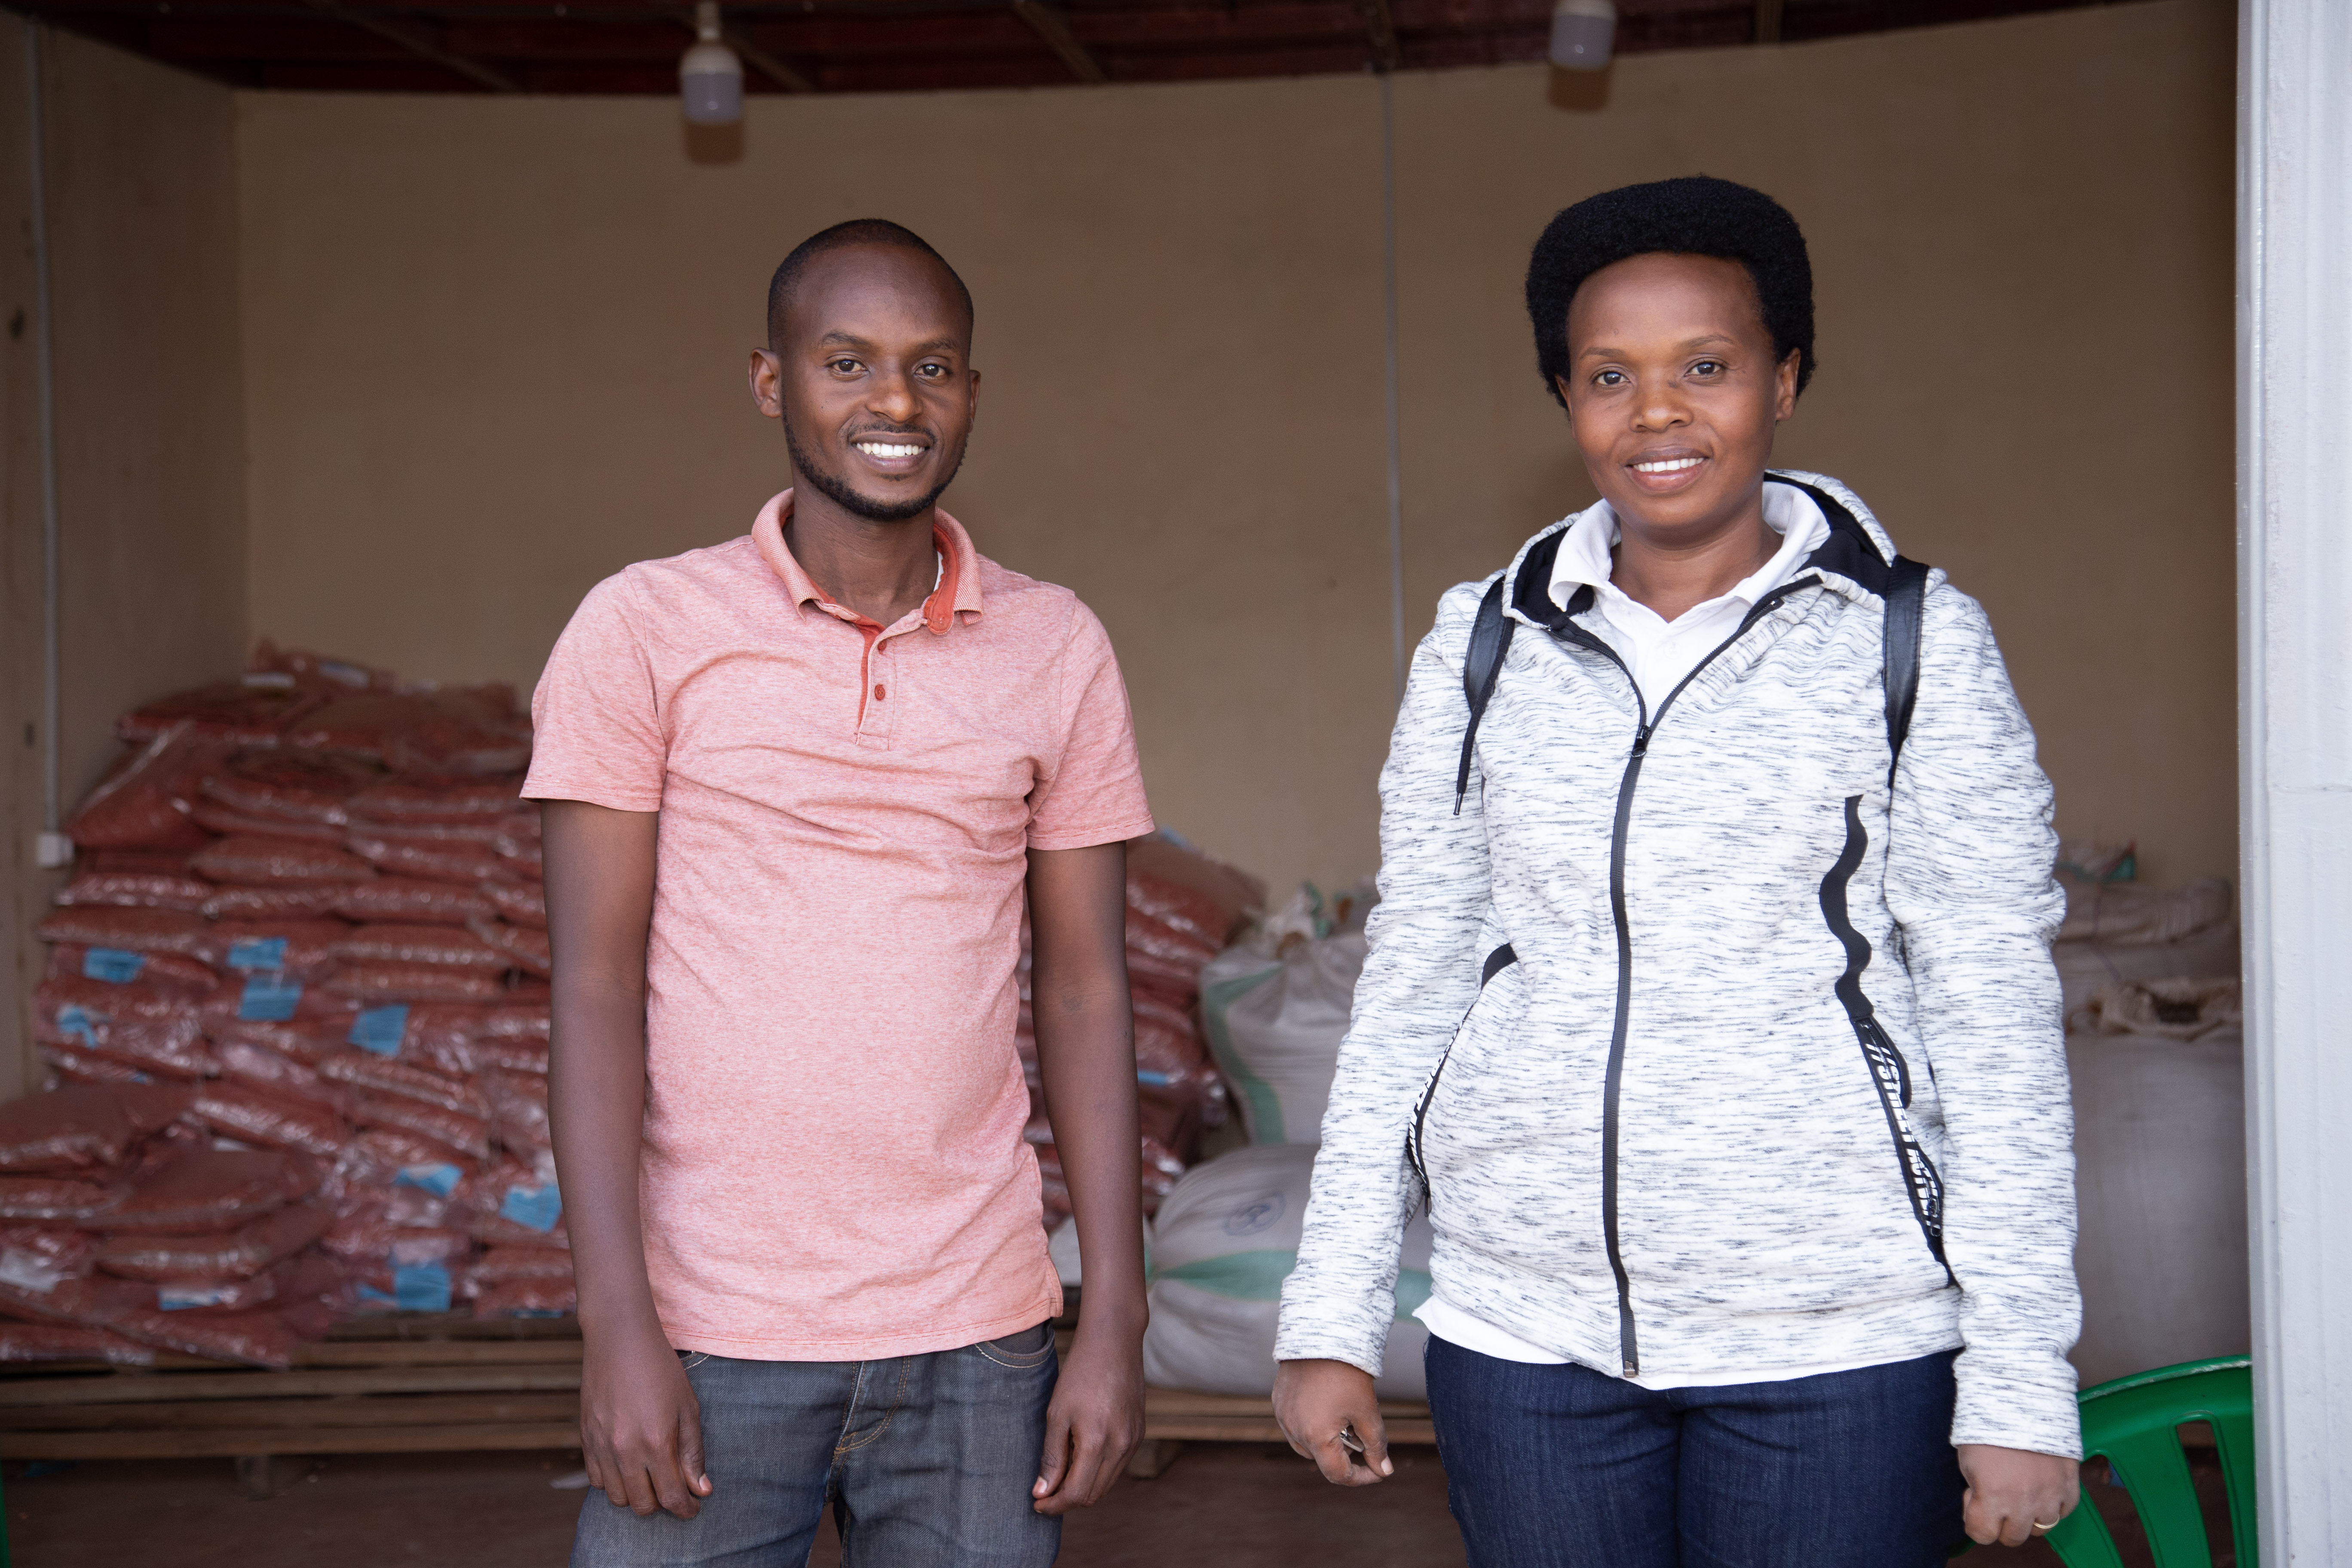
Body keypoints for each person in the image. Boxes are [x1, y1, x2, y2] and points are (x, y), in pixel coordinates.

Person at [1270, 176, 2083, 1566]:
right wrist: (1330, 1312)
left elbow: (1995, 1014)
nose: (1659, 413)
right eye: (1609, 376)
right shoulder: (1483, 647)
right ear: (1568, 402)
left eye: (1705, 366)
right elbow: (1413, 981)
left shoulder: (1910, 641)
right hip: (1525, 1336)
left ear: (1785, 381)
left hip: (1841, 1342)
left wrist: (2020, 1377)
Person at [530, 218, 1156, 1568]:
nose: (894, 401)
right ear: (772, 384)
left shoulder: (1056, 645)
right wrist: (615, 1323)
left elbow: (1088, 988)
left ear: (973, 396)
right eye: (847, 362)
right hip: (709, 1331)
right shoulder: (643, 630)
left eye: (933, 368)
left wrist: (1113, 1315)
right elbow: (590, 986)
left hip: (978, 1336)